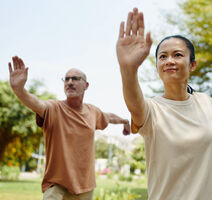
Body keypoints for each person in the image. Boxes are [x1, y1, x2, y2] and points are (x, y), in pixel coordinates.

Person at [116, 8, 212, 200]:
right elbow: (134, 103)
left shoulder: (205, 103)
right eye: (163, 56)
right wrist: (128, 69)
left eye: (177, 55)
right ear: (158, 66)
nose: (169, 61)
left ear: (192, 65)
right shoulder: (152, 110)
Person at [8, 56, 130, 200]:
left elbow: (108, 117)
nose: (70, 82)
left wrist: (124, 121)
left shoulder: (92, 112)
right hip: (57, 188)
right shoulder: (54, 108)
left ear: (86, 85)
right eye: (66, 79)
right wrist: (20, 90)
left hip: (85, 188)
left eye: (75, 79)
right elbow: (36, 103)